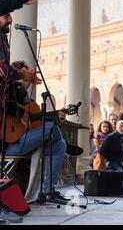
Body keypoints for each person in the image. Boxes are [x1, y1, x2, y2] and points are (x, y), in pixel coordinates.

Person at [0, 14, 73, 203]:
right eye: (6, 15)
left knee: (59, 145)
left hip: (20, 138)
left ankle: (48, 189)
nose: (10, 19)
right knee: (52, 128)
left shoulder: (24, 97)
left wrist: (51, 115)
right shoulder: (14, 92)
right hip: (10, 143)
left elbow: (31, 117)